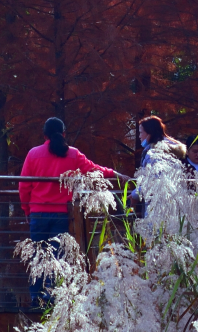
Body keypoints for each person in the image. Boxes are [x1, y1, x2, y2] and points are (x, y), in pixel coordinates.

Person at [19, 117, 126, 307]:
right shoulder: (72, 154)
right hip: (62, 213)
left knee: (38, 255)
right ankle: (53, 296)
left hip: (38, 213)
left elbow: (24, 185)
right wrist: (116, 174)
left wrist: (27, 209)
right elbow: (95, 170)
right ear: (64, 133)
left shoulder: (33, 154)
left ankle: (36, 297)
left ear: (44, 134)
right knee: (58, 256)